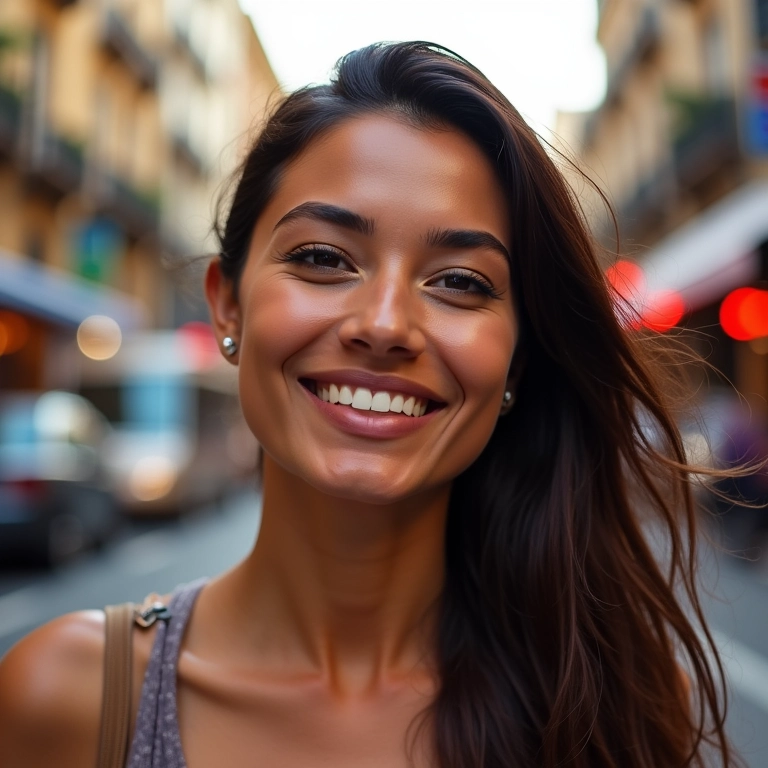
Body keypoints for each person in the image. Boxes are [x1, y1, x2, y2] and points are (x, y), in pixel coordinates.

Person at [0, 42, 736, 768]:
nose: (384, 325)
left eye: (461, 282)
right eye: (323, 258)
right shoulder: (70, 700)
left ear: (518, 357)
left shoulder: (614, 708)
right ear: (227, 308)